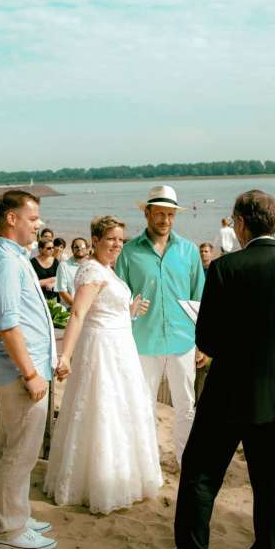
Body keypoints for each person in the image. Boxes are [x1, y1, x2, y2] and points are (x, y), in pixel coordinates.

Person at [142, 190, 275, 549]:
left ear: (240, 223)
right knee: (267, 483)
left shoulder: (225, 268)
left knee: (200, 476)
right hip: (274, 395)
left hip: (226, 393)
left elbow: (207, 338)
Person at [44, 215, 162, 513]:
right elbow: (78, 314)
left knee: (123, 409)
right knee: (102, 409)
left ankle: (123, 476)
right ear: (95, 240)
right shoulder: (92, 271)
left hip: (120, 346)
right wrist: (66, 356)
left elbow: (105, 308)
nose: (117, 245)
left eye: (120, 240)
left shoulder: (107, 269)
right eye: (111, 239)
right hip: (102, 350)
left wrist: (130, 310)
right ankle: (98, 481)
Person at [0, 190, 57, 549]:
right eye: (33, 218)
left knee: (11, 445)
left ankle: (15, 514)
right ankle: (10, 528)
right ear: (12, 219)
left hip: (21, 369)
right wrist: (30, 374)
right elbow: (8, 324)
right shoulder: (6, 262)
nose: (38, 224)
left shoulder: (13, 257)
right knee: (20, 452)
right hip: (19, 373)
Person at [114, 184, 206, 465]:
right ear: (147, 213)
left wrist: (202, 342)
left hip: (183, 341)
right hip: (143, 341)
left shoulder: (189, 251)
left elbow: (200, 299)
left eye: (171, 214)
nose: (166, 220)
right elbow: (118, 300)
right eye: (160, 214)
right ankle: (147, 464)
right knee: (143, 406)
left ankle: (185, 462)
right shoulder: (128, 253)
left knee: (186, 406)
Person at [54, 237, 88, 308]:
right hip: (70, 308)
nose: (79, 249)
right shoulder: (64, 266)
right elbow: (62, 291)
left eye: (82, 246)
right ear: (72, 249)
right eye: (76, 247)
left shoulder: (91, 265)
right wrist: (77, 307)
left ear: (87, 249)